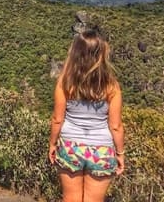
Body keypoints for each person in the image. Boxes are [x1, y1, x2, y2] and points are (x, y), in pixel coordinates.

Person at [48, 29, 125, 202]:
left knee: (71, 198)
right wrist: (120, 153)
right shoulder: (111, 86)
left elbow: (57, 119)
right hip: (101, 150)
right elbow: (115, 126)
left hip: (70, 147)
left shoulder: (65, 82)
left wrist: (52, 144)